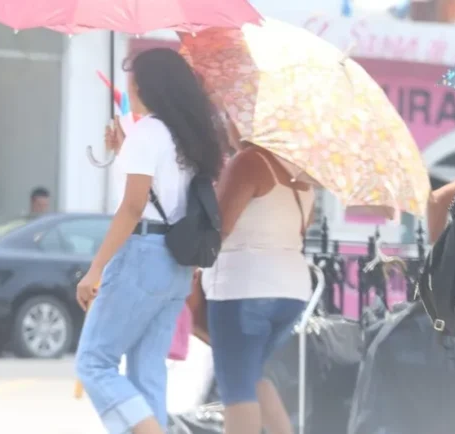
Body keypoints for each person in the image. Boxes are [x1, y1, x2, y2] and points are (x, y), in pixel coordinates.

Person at [74, 48, 224, 434]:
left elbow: (133, 207)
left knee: (94, 362)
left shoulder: (149, 132)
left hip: (142, 255)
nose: (129, 84)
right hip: (176, 263)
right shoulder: (186, 136)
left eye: (133, 78)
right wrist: (123, 150)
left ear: (144, 84)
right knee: (147, 370)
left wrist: (95, 269)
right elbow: (170, 196)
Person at [201, 143, 314, 434]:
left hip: (244, 288)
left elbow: (217, 226)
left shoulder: (248, 162)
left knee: (237, 387)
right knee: (254, 377)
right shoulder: (301, 177)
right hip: (291, 291)